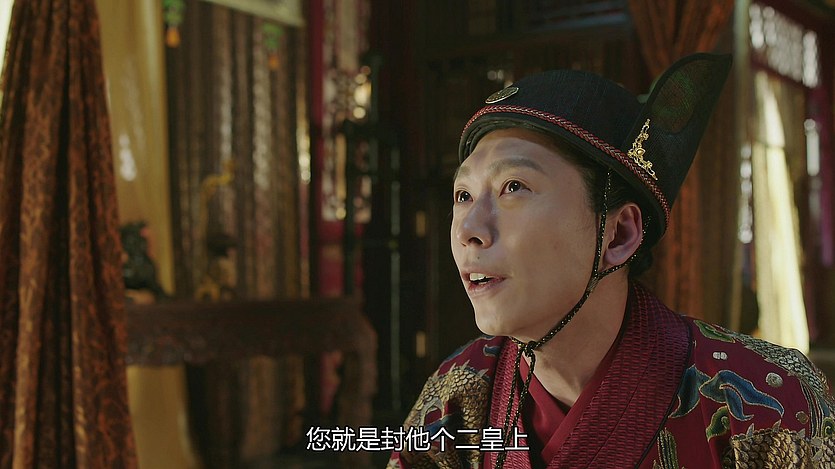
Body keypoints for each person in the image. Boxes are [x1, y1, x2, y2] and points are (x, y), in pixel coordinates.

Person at [386, 53, 835, 468]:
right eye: (463, 195)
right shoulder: (459, 395)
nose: (468, 229)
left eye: (514, 187)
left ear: (618, 234)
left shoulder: (766, 401)